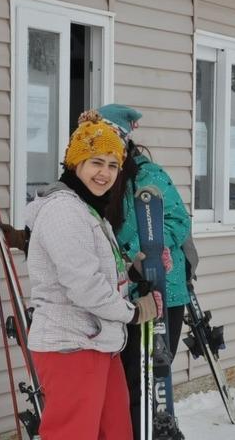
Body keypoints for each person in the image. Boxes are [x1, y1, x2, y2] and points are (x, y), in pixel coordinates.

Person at [25, 112, 162, 439]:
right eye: (96, 162)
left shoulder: (88, 208)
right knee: (74, 433)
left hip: (99, 342)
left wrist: (132, 267)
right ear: (76, 164)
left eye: (113, 165)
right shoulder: (63, 211)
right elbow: (85, 287)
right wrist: (133, 312)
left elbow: (97, 269)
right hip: (70, 345)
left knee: (114, 430)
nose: (105, 173)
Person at [100, 104, 191, 438]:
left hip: (162, 291)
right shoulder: (101, 177)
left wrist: (138, 252)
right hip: (123, 298)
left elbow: (178, 222)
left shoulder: (147, 176)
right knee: (125, 383)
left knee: (149, 383)